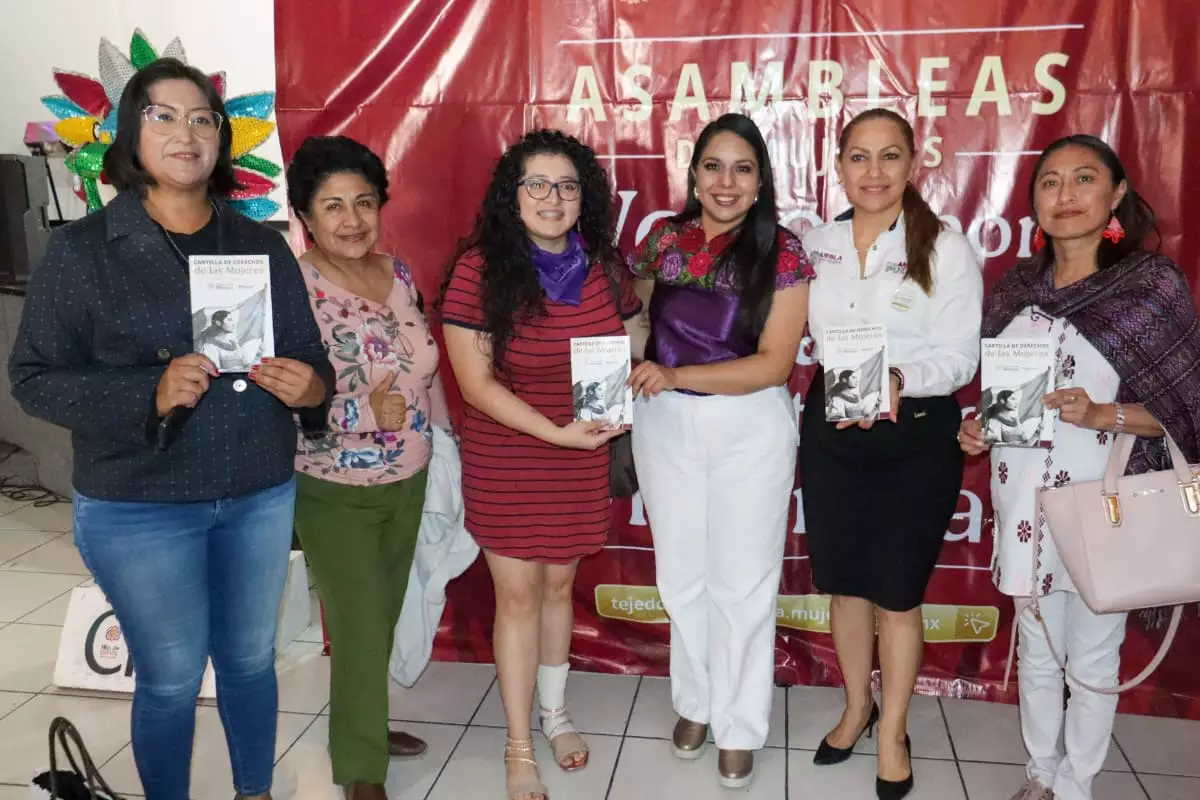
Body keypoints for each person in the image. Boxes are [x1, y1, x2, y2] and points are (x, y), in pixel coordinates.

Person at [8, 58, 333, 800]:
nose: (185, 133)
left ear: (222, 137)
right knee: (173, 675)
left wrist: (312, 386)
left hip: (255, 489)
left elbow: (313, 361)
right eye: (164, 115)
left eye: (202, 118)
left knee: (252, 661)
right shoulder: (83, 250)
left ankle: (256, 791)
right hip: (139, 503)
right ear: (130, 131)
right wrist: (145, 392)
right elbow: (32, 378)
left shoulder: (260, 245)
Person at [958, 134, 1200, 800]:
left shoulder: (1150, 289)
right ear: (1034, 200)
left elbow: (1187, 411)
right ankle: (1039, 776)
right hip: (1023, 501)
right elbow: (999, 396)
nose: (1065, 196)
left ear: (1117, 194)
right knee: (1037, 649)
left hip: (1105, 502)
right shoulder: (1014, 293)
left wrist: (1105, 415)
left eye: (1083, 179)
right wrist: (979, 427)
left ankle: (1076, 785)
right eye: (1050, 183)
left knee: (1093, 656)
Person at [438, 129, 646, 800]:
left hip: (579, 453)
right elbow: (475, 386)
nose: (551, 198)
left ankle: (556, 715)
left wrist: (633, 365)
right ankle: (519, 742)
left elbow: (631, 327)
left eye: (566, 185)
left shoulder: (605, 268)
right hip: (512, 454)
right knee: (519, 597)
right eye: (536, 184)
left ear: (583, 197)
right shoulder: (480, 270)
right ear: (512, 195)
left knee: (561, 590)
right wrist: (557, 434)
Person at [626, 113, 813, 789]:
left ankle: (740, 724)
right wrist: (616, 362)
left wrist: (676, 373)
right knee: (681, 577)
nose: (725, 182)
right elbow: (638, 317)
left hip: (749, 427)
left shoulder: (783, 252)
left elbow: (772, 365)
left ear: (761, 179)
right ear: (694, 172)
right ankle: (696, 705)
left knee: (743, 583)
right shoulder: (663, 241)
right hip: (664, 424)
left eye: (742, 168)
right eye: (713, 166)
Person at [801, 107, 982, 800]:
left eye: (889, 157)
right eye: (858, 157)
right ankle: (856, 706)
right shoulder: (816, 244)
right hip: (835, 430)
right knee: (845, 585)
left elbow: (959, 354)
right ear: (839, 165)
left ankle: (894, 730)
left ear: (914, 164)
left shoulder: (945, 247)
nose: (872, 172)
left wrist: (904, 379)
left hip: (917, 435)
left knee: (898, 594)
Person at [286, 135, 452, 800]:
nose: (351, 219)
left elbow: (422, 368)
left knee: (380, 614)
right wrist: (357, 414)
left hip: (407, 475)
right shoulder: (294, 288)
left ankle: (368, 727)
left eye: (363, 202)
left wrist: (441, 443)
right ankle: (360, 770)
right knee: (356, 622)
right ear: (304, 215)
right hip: (332, 484)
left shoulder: (398, 272)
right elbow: (275, 388)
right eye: (332, 206)